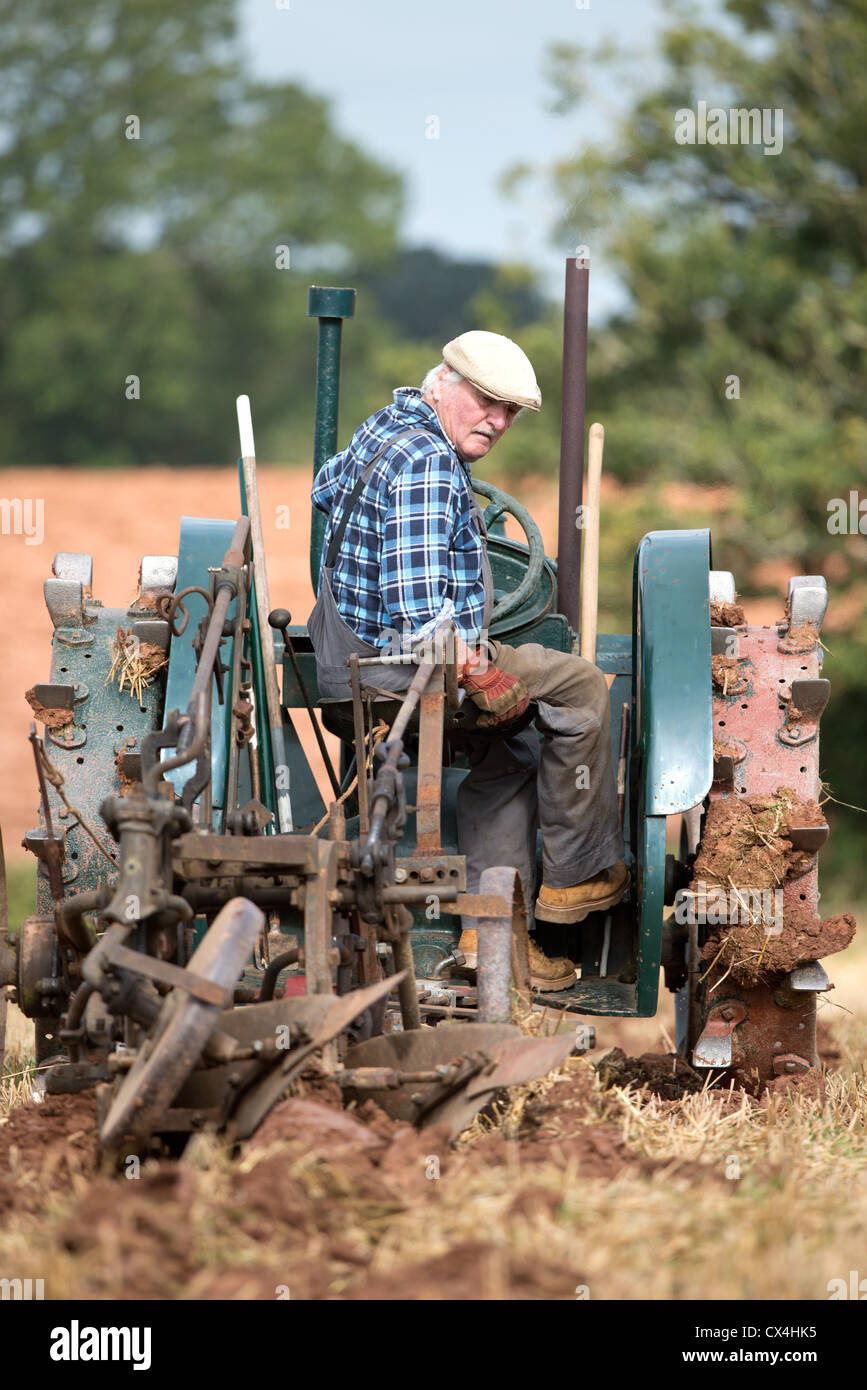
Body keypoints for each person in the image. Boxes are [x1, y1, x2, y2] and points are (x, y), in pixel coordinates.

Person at [308, 330, 628, 990]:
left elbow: (322, 488)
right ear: (445, 384)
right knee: (576, 686)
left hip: (345, 665)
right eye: (487, 402)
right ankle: (578, 876)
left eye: (510, 411)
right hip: (403, 672)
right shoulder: (428, 462)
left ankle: (491, 945)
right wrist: (482, 672)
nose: (499, 421)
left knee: (512, 756)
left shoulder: (389, 426)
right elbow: (420, 612)